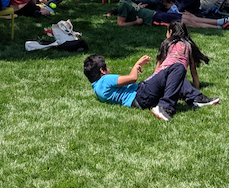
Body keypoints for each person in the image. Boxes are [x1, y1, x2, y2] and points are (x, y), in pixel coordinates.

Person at [83, 52, 219, 122]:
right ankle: (165, 107)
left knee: (172, 75)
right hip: (141, 95)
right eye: (106, 66)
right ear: (102, 70)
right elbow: (132, 78)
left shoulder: (97, 88)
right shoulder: (105, 79)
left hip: (141, 97)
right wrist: (137, 65)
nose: (109, 69)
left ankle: (195, 98)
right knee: (177, 67)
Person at [111, 0, 229, 29]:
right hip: (155, 19)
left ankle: (222, 21)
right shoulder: (123, 4)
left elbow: (130, 11)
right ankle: (221, 26)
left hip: (156, 14)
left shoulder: (127, 4)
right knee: (189, 22)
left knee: (187, 16)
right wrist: (137, 22)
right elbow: (121, 23)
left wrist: (139, 7)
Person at [151, 21, 210, 89]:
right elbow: (193, 70)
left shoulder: (166, 43)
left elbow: (158, 66)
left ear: (170, 32)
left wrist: (153, 81)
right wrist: (197, 87)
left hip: (162, 78)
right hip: (178, 81)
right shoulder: (188, 45)